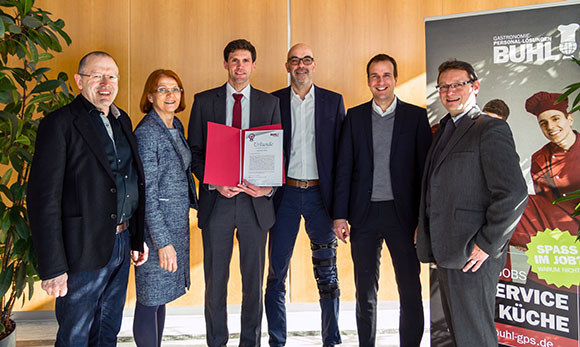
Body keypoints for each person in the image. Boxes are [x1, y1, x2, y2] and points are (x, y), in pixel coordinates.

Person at [27, 51, 149, 345]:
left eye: (112, 76)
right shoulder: (60, 124)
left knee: (108, 330)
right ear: (79, 81)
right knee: (75, 335)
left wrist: (135, 238)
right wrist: (54, 268)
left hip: (120, 245)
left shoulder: (123, 120)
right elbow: (43, 199)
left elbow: (128, 180)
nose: (106, 82)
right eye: (97, 76)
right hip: (80, 249)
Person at [416, 59, 528, 346]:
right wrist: (423, 226)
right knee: (461, 334)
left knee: (475, 337)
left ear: (475, 86)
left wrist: (487, 244)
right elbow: (436, 186)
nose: (450, 91)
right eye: (443, 86)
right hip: (448, 251)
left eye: (458, 84)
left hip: (472, 254)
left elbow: (514, 193)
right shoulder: (444, 129)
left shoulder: (489, 129)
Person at [187, 39, 281, 347]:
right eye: (234, 60)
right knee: (216, 283)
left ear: (254, 65)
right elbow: (194, 152)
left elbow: (277, 151)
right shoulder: (204, 101)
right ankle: (216, 342)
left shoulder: (269, 104)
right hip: (218, 203)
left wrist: (269, 187)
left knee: (253, 283)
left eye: (245, 60)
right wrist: (213, 182)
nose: (239, 66)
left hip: (255, 204)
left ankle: (249, 343)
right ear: (225, 64)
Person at [333, 54, 431, 347]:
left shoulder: (416, 117)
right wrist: (339, 216)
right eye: (375, 76)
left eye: (386, 75)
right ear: (368, 81)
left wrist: (422, 222)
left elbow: (426, 175)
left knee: (410, 289)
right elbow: (344, 168)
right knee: (364, 291)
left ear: (396, 79)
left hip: (404, 217)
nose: (381, 82)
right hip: (363, 215)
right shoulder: (355, 116)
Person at [265, 43, 345, 347]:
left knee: (327, 272)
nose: (301, 65)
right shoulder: (273, 101)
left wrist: (341, 208)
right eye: (295, 60)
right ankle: (277, 341)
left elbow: (342, 158)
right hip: (283, 196)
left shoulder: (333, 102)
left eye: (307, 60)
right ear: (287, 66)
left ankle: (332, 339)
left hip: (319, 199)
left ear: (315, 65)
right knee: (276, 274)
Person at [132, 69, 198, 346]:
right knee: (150, 298)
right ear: (150, 96)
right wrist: (162, 242)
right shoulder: (147, 133)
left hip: (175, 225)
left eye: (176, 89)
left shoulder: (175, 125)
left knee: (161, 298)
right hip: (155, 231)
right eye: (163, 90)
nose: (171, 95)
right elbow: (146, 193)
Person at [510, 92, 579, 252]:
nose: (550, 127)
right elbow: (545, 205)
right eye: (543, 123)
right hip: (559, 225)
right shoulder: (540, 158)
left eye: (555, 119)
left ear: (569, 119)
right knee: (514, 203)